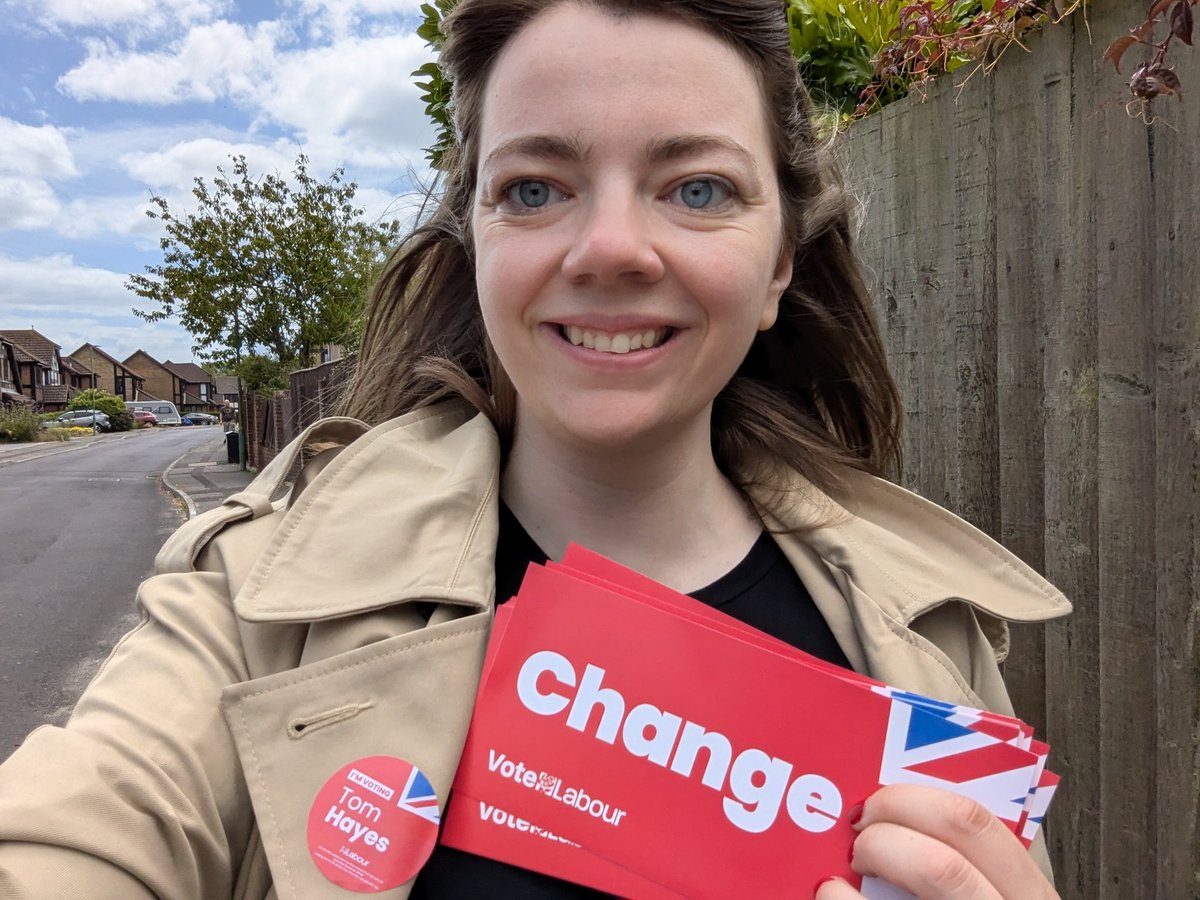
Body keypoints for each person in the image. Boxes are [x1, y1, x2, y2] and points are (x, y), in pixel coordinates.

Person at [0, 1, 1070, 898]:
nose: (608, 247)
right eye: (535, 189)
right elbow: (72, 838)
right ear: (475, 245)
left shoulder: (933, 644)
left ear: (781, 263)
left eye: (697, 187)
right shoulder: (257, 603)